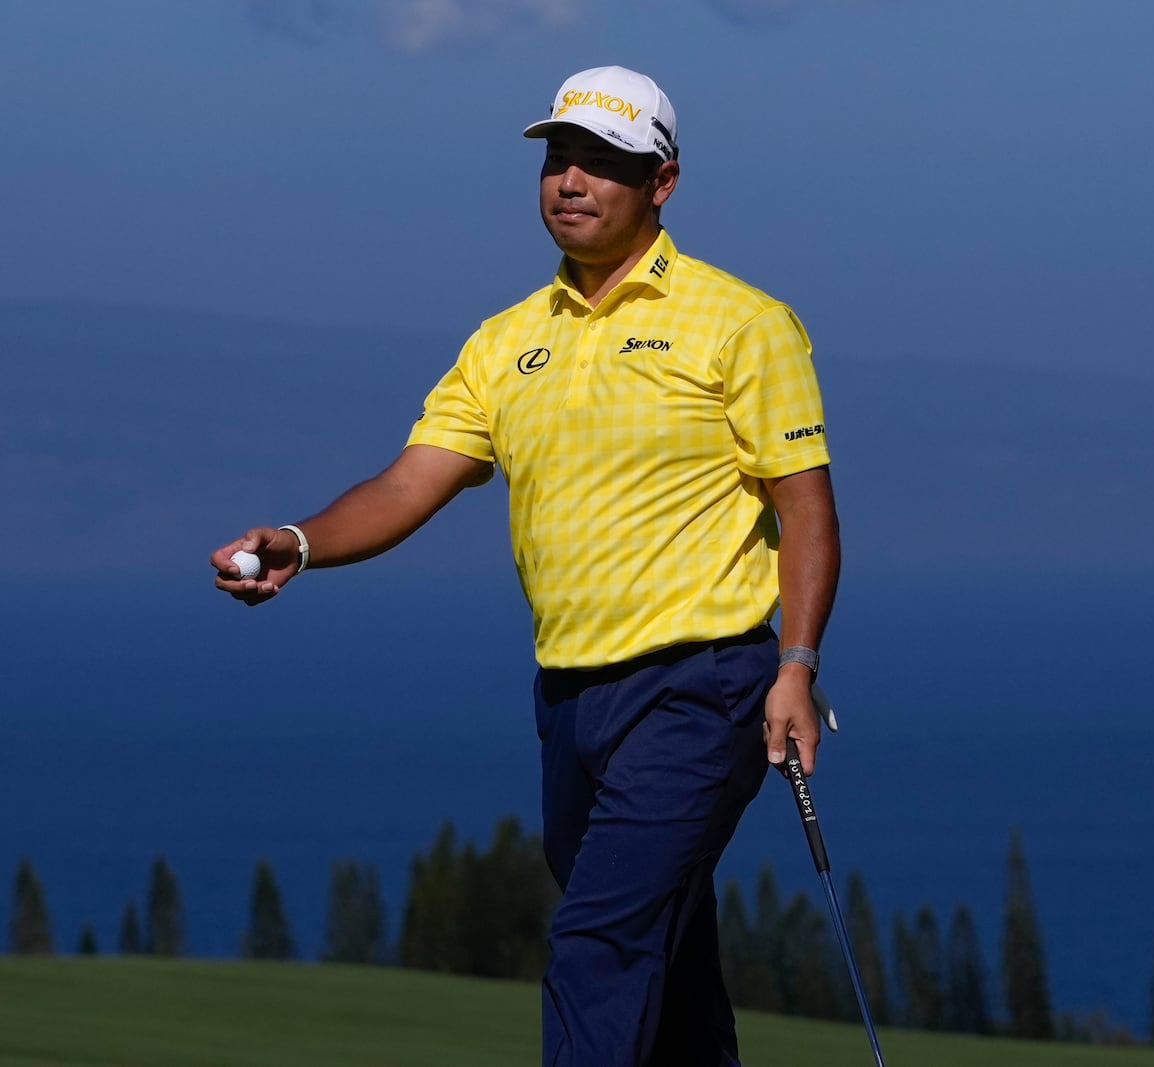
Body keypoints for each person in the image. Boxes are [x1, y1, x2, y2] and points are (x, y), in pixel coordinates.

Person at [212, 65, 840, 1067]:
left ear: (662, 182)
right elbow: (408, 484)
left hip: (706, 687)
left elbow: (804, 509)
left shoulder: (742, 322)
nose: (573, 181)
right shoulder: (505, 342)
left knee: (599, 941)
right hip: (571, 701)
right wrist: (298, 539)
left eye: (604, 163)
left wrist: (796, 666)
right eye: (559, 159)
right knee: (661, 953)